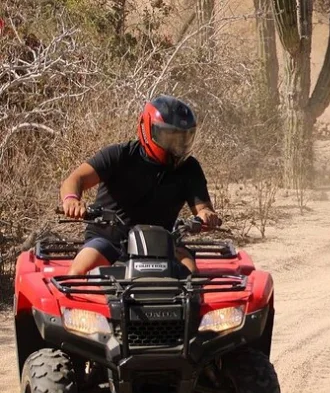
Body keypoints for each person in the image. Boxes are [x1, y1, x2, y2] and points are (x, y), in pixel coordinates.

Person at [60, 95, 220, 276]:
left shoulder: (190, 168)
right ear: (147, 129)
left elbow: (203, 209)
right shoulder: (119, 155)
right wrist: (71, 200)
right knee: (78, 272)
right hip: (109, 240)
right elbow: (76, 179)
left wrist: (206, 216)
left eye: (181, 138)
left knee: (191, 273)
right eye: (169, 137)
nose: (176, 146)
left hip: (162, 242)